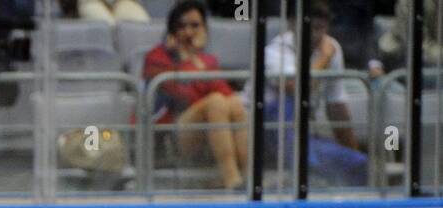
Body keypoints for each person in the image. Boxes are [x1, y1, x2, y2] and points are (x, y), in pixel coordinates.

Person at [144, 0, 249, 189]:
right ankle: (232, 180)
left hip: (210, 127)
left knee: (233, 102)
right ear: (171, 30)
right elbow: (184, 95)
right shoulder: (157, 58)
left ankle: (249, 176)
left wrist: (195, 59)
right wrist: (188, 59)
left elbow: (224, 91)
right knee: (216, 102)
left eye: (195, 25)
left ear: (204, 29)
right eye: (182, 26)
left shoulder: (208, 60)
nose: (189, 32)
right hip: (171, 134)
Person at [264, 1, 368, 187]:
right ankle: (308, 172)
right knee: (287, 105)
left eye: (320, 28)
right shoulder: (276, 50)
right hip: (265, 132)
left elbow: (336, 107)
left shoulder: (331, 48)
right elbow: (296, 89)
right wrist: (324, 58)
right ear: (292, 23)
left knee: (358, 163)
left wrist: (354, 152)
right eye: (308, 26)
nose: (314, 34)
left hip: (302, 134)